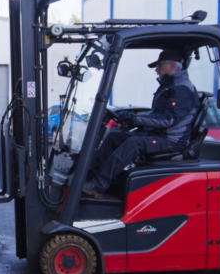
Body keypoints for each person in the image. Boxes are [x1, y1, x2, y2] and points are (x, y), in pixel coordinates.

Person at [82, 50, 199, 197]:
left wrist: (135, 119)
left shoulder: (182, 89)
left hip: (172, 141)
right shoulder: (170, 87)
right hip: (158, 135)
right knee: (114, 137)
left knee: (134, 143)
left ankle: (98, 185)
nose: (157, 70)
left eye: (159, 65)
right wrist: (132, 123)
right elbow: (157, 116)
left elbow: (168, 120)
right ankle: (88, 179)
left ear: (171, 66)